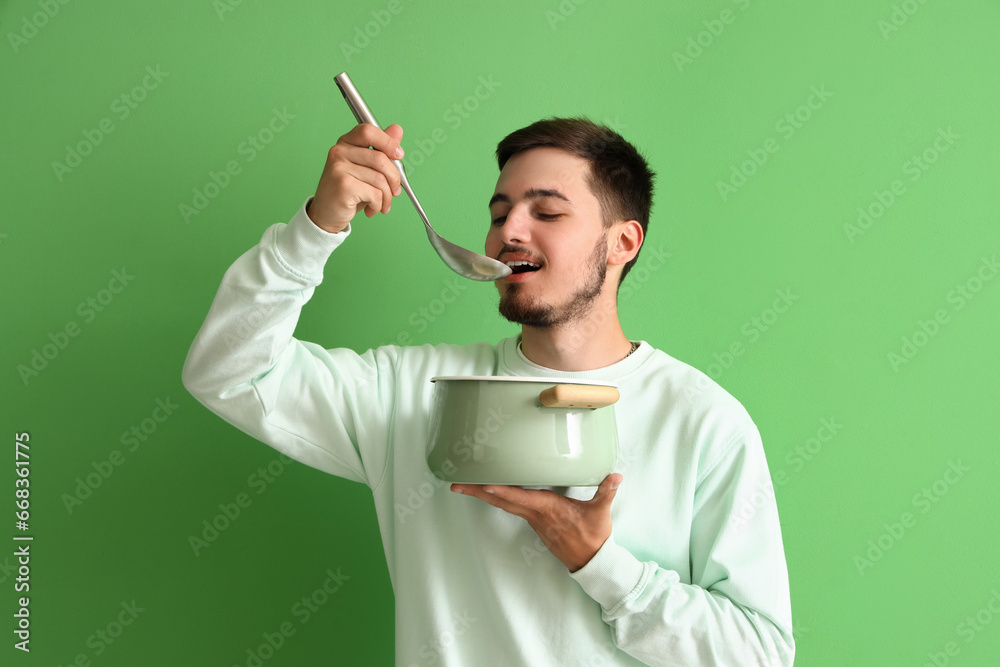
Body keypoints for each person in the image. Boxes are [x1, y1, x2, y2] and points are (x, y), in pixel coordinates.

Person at [183, 117, 795, 666]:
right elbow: (229, 372)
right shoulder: (410, 394)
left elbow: (760, 655)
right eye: (500, 213)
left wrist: (601, 563)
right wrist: (316, 228)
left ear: (622, 243)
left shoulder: (703, 420)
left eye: (546, 213)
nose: (509, 233)